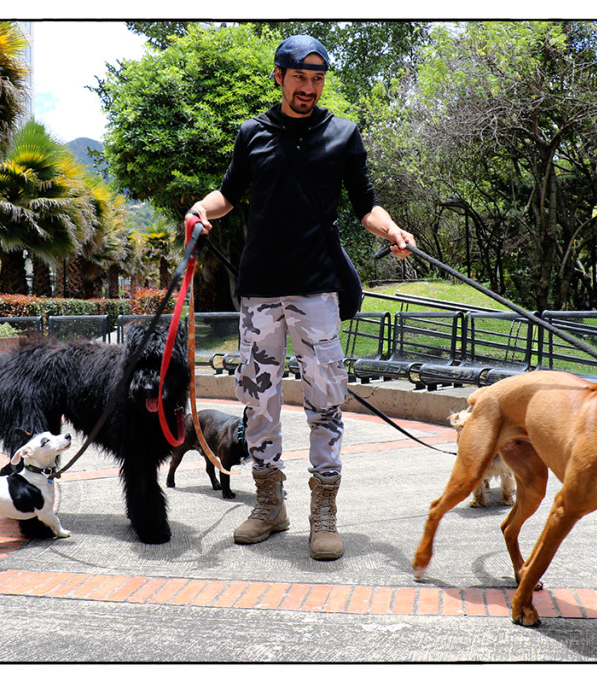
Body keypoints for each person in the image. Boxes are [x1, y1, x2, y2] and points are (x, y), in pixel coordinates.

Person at [184, 34, 414, 561]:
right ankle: (269, 504)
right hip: (260, 289)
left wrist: (394, 232)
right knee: (258, 399)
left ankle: (323, 512)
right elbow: (228, 195)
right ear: (279, 77)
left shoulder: (343, 135)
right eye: (300, 78)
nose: (309, 88)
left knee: (325, 399)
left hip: (317, 290)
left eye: (317, 79)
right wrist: (201, 208)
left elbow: (366, 207)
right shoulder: (253, 134)